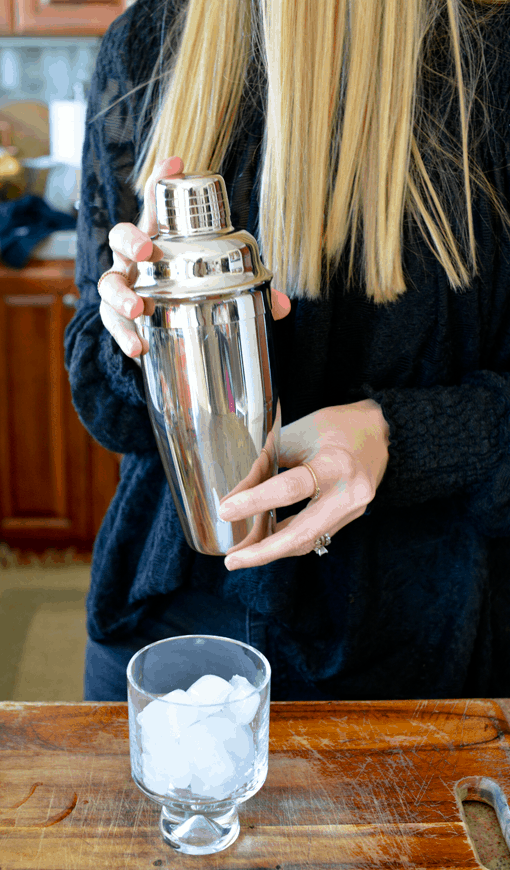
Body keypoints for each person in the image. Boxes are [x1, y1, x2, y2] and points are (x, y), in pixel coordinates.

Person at [65, 0, 510, 702]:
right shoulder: (149, 42)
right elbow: (108, 409)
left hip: (414, 647)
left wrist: (399, 439)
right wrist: (140, 335)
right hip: (173, 629)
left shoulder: (488, 55)